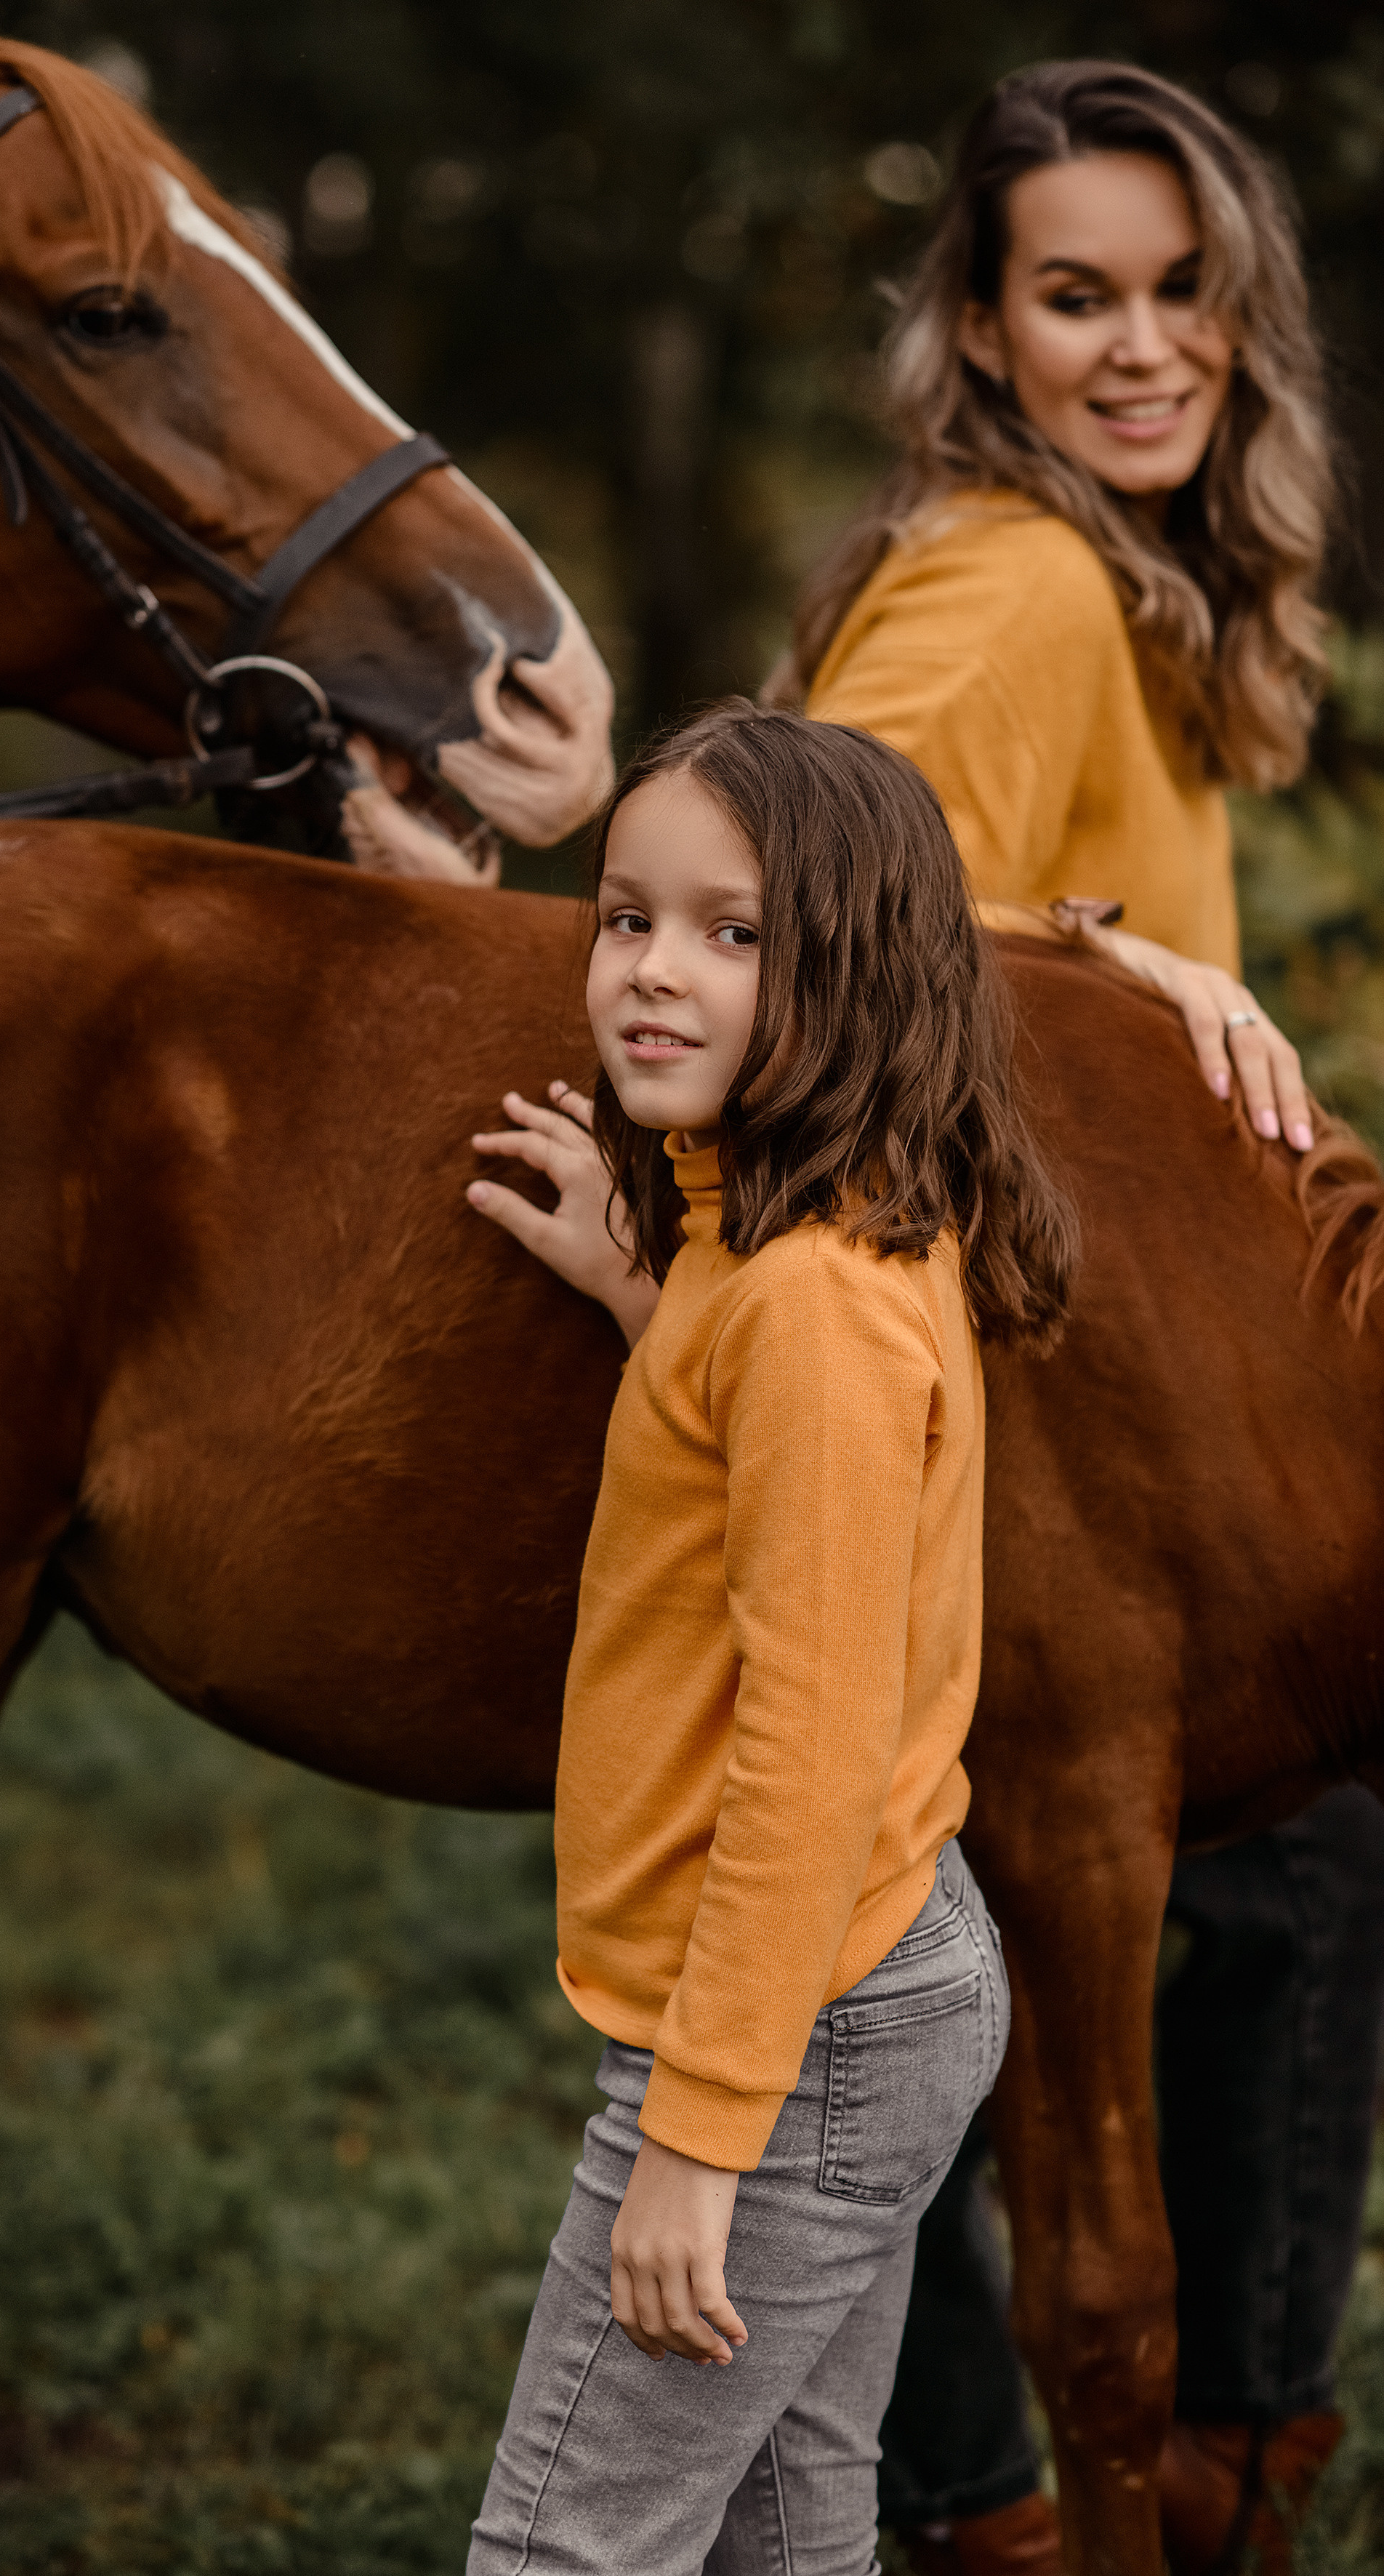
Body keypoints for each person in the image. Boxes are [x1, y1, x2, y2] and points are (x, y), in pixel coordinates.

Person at [469, 58, 1384, 2576]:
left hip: (998, 1380)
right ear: (978, 329)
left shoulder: (1116, 584)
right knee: (1218, 1868)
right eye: (1074, 296)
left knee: (1153, 1891)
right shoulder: (1021, 583)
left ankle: (1056, 2469)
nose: (1142, 347)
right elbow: (813, 855)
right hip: (1006, 1388)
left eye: (1183, 293)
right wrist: (1111, 947)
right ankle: (1162, 2461)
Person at [465, 701, 1075, 2576]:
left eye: (732, 934)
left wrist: (700, 2135)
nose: (652, 972)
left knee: (566, 2552)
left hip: (794, 2027)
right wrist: (646, 1296)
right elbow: (774, 1457)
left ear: (857, 972)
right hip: (874, 1970)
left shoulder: (807, 1309)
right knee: (792, 2533)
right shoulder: (806, 1252)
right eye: (625, 918)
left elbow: (810, 1748)